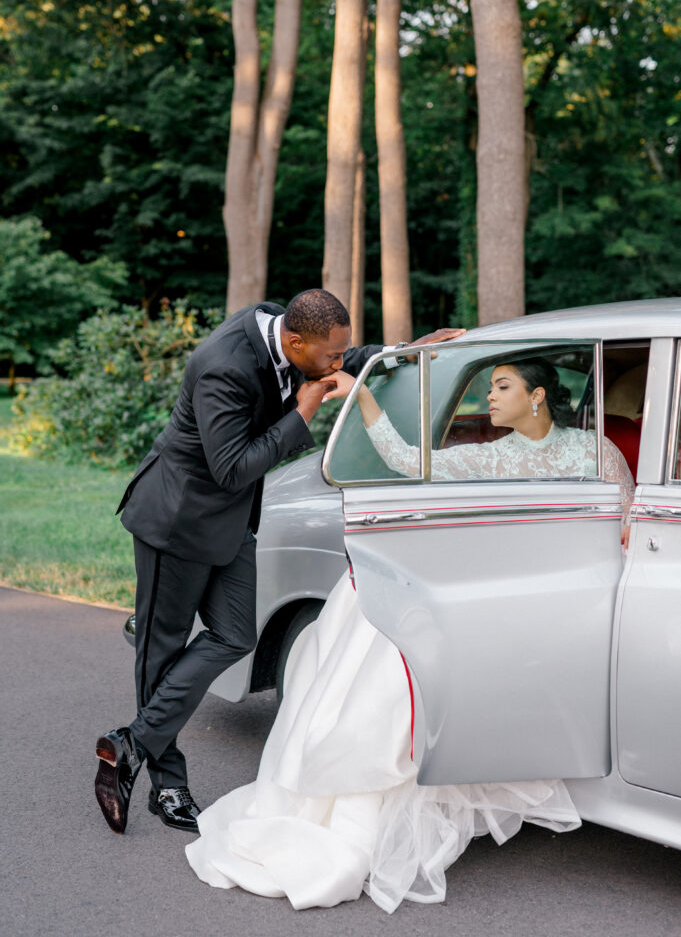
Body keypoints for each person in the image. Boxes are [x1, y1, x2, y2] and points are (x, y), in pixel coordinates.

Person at [184, 357, 634, 911]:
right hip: (504, 594)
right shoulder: (491, 456)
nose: (488, 399)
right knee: (396, 679)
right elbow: (403, 460)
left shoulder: (595, 452)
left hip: (576, 593)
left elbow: (629, 527)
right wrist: (363, 395)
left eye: (501, 387)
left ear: (537, 395)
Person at [94, 287, 460, 835]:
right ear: (294, 342)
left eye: (342, 353)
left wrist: (408, 350)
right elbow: (232, 468)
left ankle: (130, 742)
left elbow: (348, 356)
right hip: (177, 521)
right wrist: (304, 410)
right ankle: (168, 786)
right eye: (330, 358)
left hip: (234, 524)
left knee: (237, 636)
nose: (338, 365)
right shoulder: (222, 368)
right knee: (161, 652)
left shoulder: (293, 330)